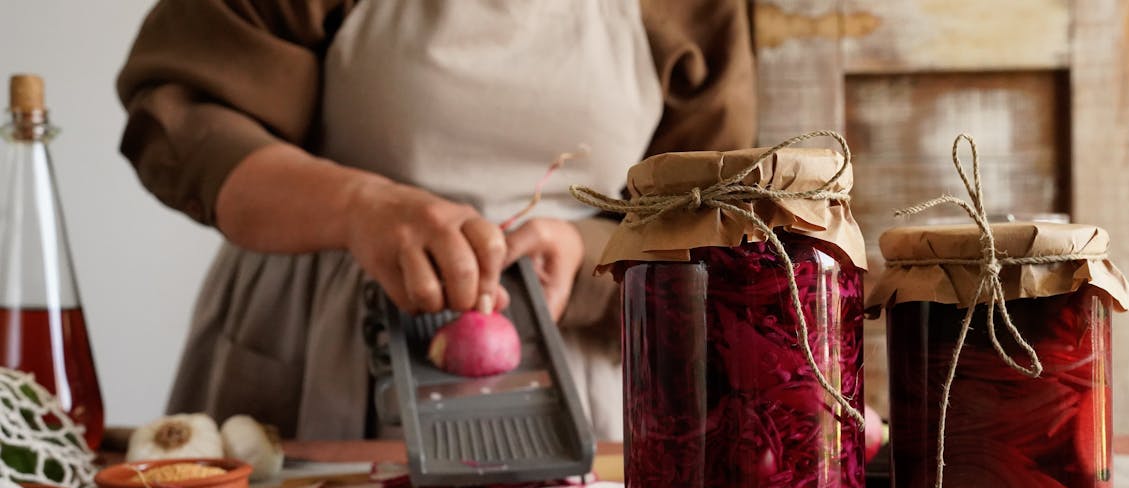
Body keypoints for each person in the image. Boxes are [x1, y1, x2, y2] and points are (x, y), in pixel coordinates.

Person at [116, 0, 756, 441]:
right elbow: (182, 117)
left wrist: (589, 252)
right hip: (314, 344)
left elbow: (711, 206)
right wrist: (355, 205)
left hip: (578, 360)